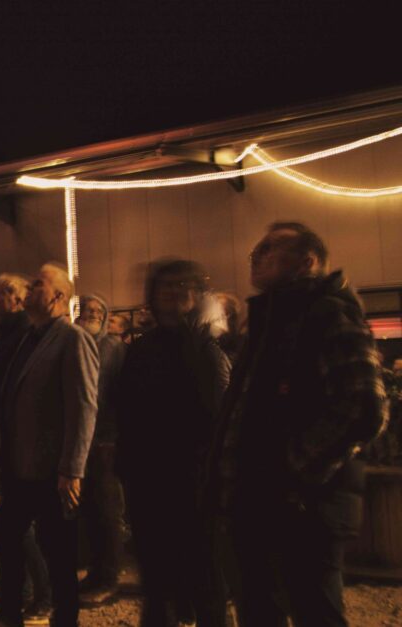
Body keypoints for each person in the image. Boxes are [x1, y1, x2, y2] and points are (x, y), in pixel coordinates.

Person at [212, 222, 388, 627]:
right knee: (261, 608)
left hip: (304, 505)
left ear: (308, 261)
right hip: (262, 500)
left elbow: (363, 406)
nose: (257, 254)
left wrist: (293, 469)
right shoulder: (272, 319)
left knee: (313, 610)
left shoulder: (327, 313)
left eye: (271, 248)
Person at [115, 260, 230, 627]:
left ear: (195, 295)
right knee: (157, 583)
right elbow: (126, 411)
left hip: (194, 485)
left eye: (182, 285)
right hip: (148, 483)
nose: (173, 291)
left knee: (205, 581)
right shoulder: (140, 350)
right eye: (165, 285)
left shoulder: (205, 349)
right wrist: (127, 465)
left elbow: (216, 419)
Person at [0, 262, 99, 627]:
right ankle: (9, 614)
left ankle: (64, 619)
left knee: (58, 553)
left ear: (58, 297)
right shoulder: (28, 339)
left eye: (37, 284)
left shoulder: (73, 339)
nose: (29, 289)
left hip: (53, 470)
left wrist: (72, 469)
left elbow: (84, 406)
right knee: (6, 532)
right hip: (21, 465)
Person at [0, 273, 53, 624]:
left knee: (15, 526)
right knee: (11, 526)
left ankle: (42, 596)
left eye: (9, 291)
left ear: (23, 300)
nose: (0, 297)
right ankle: (19, 594)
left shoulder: (24, 336)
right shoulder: (9, 336)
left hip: (20, 441)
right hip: (6, 439)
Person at [75, 294, 127, 604]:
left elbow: (119, 396)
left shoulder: (114, 349)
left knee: (108, 513)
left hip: (106, 441)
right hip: (82, 442)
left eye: (98, 310)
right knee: (90, 511)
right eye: (87, 310)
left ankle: (109, 577)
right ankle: (95, 572)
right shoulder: (75, 343)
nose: (92, 314)